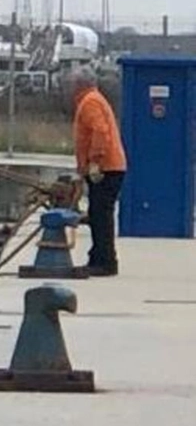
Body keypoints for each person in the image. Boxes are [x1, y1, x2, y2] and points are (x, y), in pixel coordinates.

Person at [70, 68, 127, 276]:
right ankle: (98, 257)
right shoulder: (93, 99)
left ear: (80, 84)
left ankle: (105, 262)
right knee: (97, 214)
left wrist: (94, 161)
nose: (70, 87)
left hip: (106, 168)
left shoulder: (90, 102)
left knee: (101, 215)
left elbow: (100, 131)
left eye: (73, 83)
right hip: (109, 166)